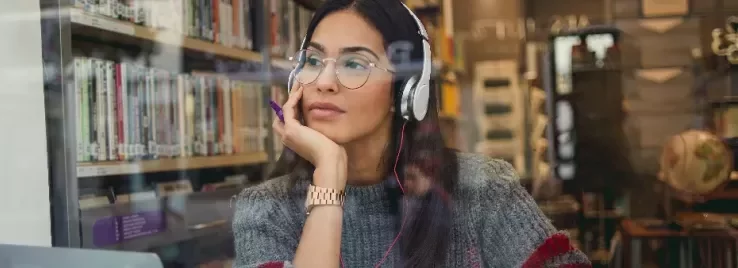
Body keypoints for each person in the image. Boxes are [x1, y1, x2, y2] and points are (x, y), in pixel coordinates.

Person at [232, 0, 591, 267]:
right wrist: (329, 171)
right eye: (312, 61)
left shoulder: (484, 190)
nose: (323, 82)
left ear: (406, 91)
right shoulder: (264, 210)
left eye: (354, 64)